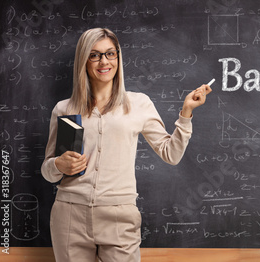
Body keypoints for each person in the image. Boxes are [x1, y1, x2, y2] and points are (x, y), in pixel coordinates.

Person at [41, 27, 211, 261]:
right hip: (69, 215)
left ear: (118, 58)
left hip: (120, 217)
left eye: (110, 53)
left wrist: (186, 113)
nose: (104, 61)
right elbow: (48, 171)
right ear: (84, 60)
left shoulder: (139, 103)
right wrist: (58, 165)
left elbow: (170, 154)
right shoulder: (64, 109)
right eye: (95, 54)